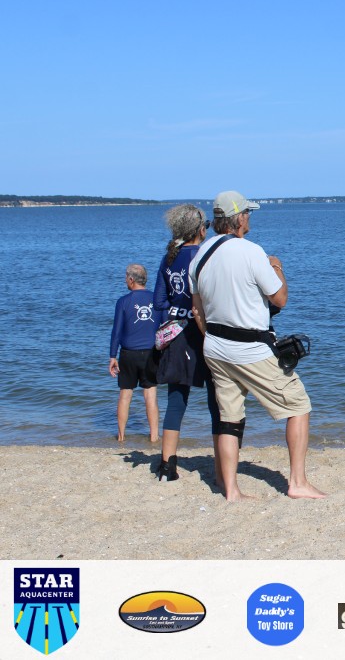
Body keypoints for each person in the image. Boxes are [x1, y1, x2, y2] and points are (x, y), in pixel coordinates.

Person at [190, 190, 326, 501]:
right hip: (250, 348)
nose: (250, 218)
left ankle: (231, 490)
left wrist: (213, 340)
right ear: (238, 218)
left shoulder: (200, 255)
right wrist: (277, 267)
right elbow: (280, 299)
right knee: (299, 405)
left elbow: (198, 310)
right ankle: (297, 483)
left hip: (215, 347)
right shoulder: (251, 252)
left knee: (229, 418)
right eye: (248, 213)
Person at [152, 204, 221, 482]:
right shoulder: (206, 255)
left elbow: (159, 302)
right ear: (201, 229)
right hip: (206, 334)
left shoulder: (169, 258)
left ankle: (167, 465)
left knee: (176, 400)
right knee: (217, 402)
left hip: (177, 336)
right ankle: (221, 467)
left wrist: (178, 313)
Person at [109, 264, 160, 442]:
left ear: (131, 280)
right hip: (151, 353)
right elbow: (165, 326)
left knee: (125, 394)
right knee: (150, 395)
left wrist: (112, 356)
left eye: (126, 277)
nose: (125, 280)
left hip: (128, 353)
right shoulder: (156, 299)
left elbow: (116, 332)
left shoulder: (123, 301)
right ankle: (154, 437)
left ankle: (121, 436)